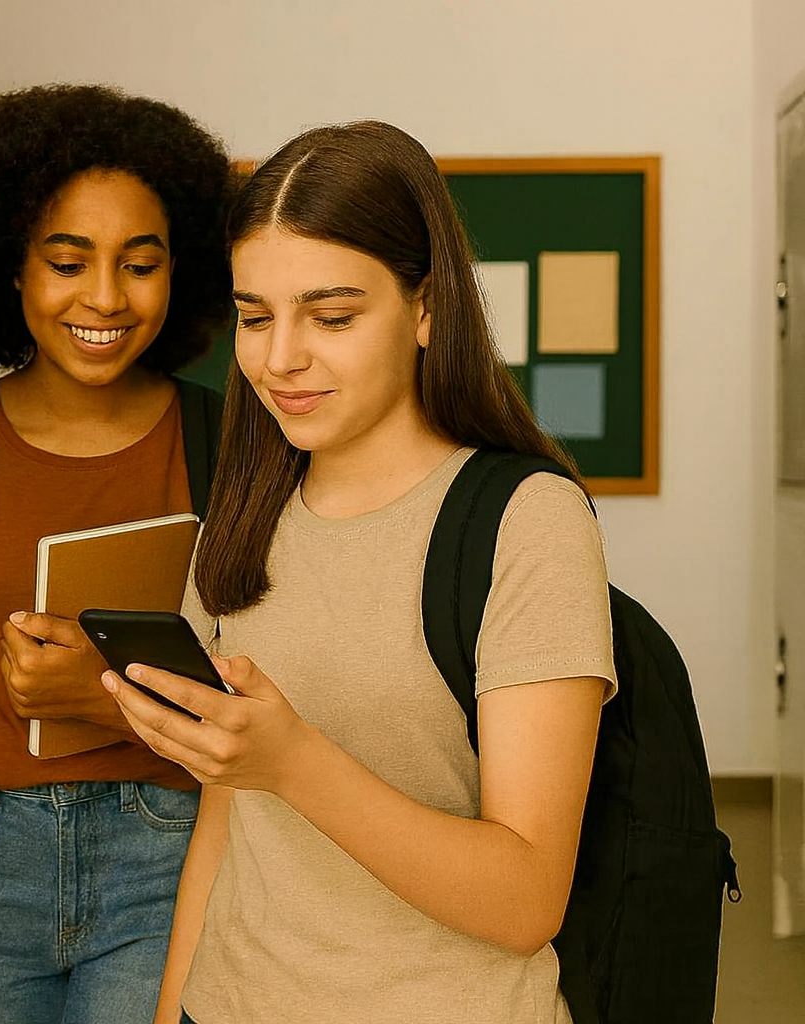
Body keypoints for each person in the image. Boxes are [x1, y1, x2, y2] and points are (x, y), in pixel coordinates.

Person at [102, 121, 617, 1024]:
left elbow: (526, 901)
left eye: (332, 317)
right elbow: (229, 819)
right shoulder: (243, 516)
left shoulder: (526, 520)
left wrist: (295, 761)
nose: (278, 358)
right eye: (255, 318)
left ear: (426, 309)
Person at [0, 84, 232, 1024]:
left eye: (139, 264)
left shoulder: (230, 450)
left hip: (166, 857)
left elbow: (277, 701)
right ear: (9, 271)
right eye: (68, 261)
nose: (104, 297)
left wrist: (102, 695)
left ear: (180, 272)